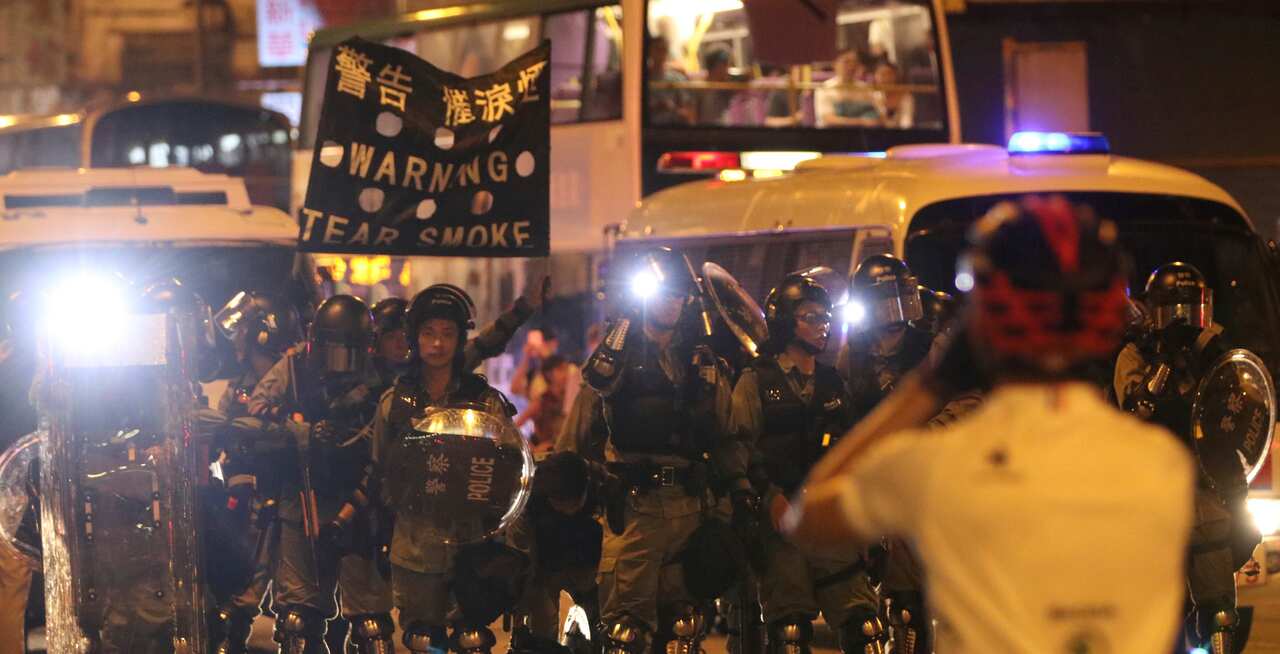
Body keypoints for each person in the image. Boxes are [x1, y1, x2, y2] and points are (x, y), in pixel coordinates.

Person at [786, 195, 1196, 653]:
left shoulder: (939, 465)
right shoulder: (1164, 466)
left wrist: (934, 380)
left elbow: (808, 518)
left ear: (981, 324)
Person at [558, 247, 745, 654]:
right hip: (634, 509)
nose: (671, 302)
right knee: (626, 633)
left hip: (691, 508)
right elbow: (575, 438)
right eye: (663, 293)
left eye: (678, 294)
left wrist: (740, 491)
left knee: (683, 630)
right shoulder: (614, 360)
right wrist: (564, 493)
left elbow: (726, 435)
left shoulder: (702, 361)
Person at [728, 272, 885, 654]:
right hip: (780, 524)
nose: (823, 325)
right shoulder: (755, 380)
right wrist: (769, 498)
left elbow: (852, 455)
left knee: (866, 629)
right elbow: (738, 448)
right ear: (786, 321)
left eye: (826, 317)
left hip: (829, 521)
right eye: (811, 317)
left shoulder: (833, 383)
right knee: (790, 634)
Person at [1114, 262, 1261, 654]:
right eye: (1175, 310)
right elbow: (1136, 411)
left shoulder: (1214, 352)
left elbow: (1241, 410)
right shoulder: (1136, 355)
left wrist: (1215, 360)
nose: (1184, 319)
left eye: (1190, 308)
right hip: (1150, 496)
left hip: (1207, 493)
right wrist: (1164, 362)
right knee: (1155, 618)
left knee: (1219, 614)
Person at [369, 284, 520, 654]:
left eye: (448, 334)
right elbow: (380, 471)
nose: (437, 344)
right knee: (424, 641)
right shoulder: (394, 403)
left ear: (460, 339)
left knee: (472, 640)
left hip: (472, 543)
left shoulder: (484, 402)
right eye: (428, 333)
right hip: (414, 547)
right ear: (414, 337)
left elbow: (510, 468)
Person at [203, 290, 304, 654]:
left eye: (243, 330)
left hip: (289, 495)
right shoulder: (240, 386)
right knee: (234, 593)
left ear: (262, 334)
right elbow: (221, 433)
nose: (237, 339)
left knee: (299, 609)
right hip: (243, 498)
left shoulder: (297, 381)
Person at [515, 354, 571, 454]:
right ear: (549, 374)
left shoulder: (569, 398)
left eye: (566, 369)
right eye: (560, 369)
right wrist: (532, 448)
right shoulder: (541, 401)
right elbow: (514, 428)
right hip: (546, 455)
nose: (566, 373)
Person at [815, 50, 878, 128]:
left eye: (854, 62)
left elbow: (875, 117)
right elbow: (828, 119)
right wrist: (861, 122)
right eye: (847, 62)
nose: (851, 66)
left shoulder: (865, 88)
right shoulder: (825, 88)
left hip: (861, 133)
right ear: (835, 64)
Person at [646, 35, 693, 126]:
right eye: (657, 49)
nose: (660, 53)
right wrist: (656, 106)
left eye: (663, 49)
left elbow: (687, 112)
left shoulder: (677, 79)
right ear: (650, 52)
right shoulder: (642, 78)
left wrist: (673, 108)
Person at [695, 45, 735, 125]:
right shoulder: (700, 90)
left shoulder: (726, 87)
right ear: (717, 66)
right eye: (726, 65)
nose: (728, 69)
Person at [872, 62, 914, 129]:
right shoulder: (872, 96)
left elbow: (907, 122)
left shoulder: (905, 97)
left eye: (889, 74)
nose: (885, 78)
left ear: (895, 76)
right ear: (875, 76)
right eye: (881, 74)